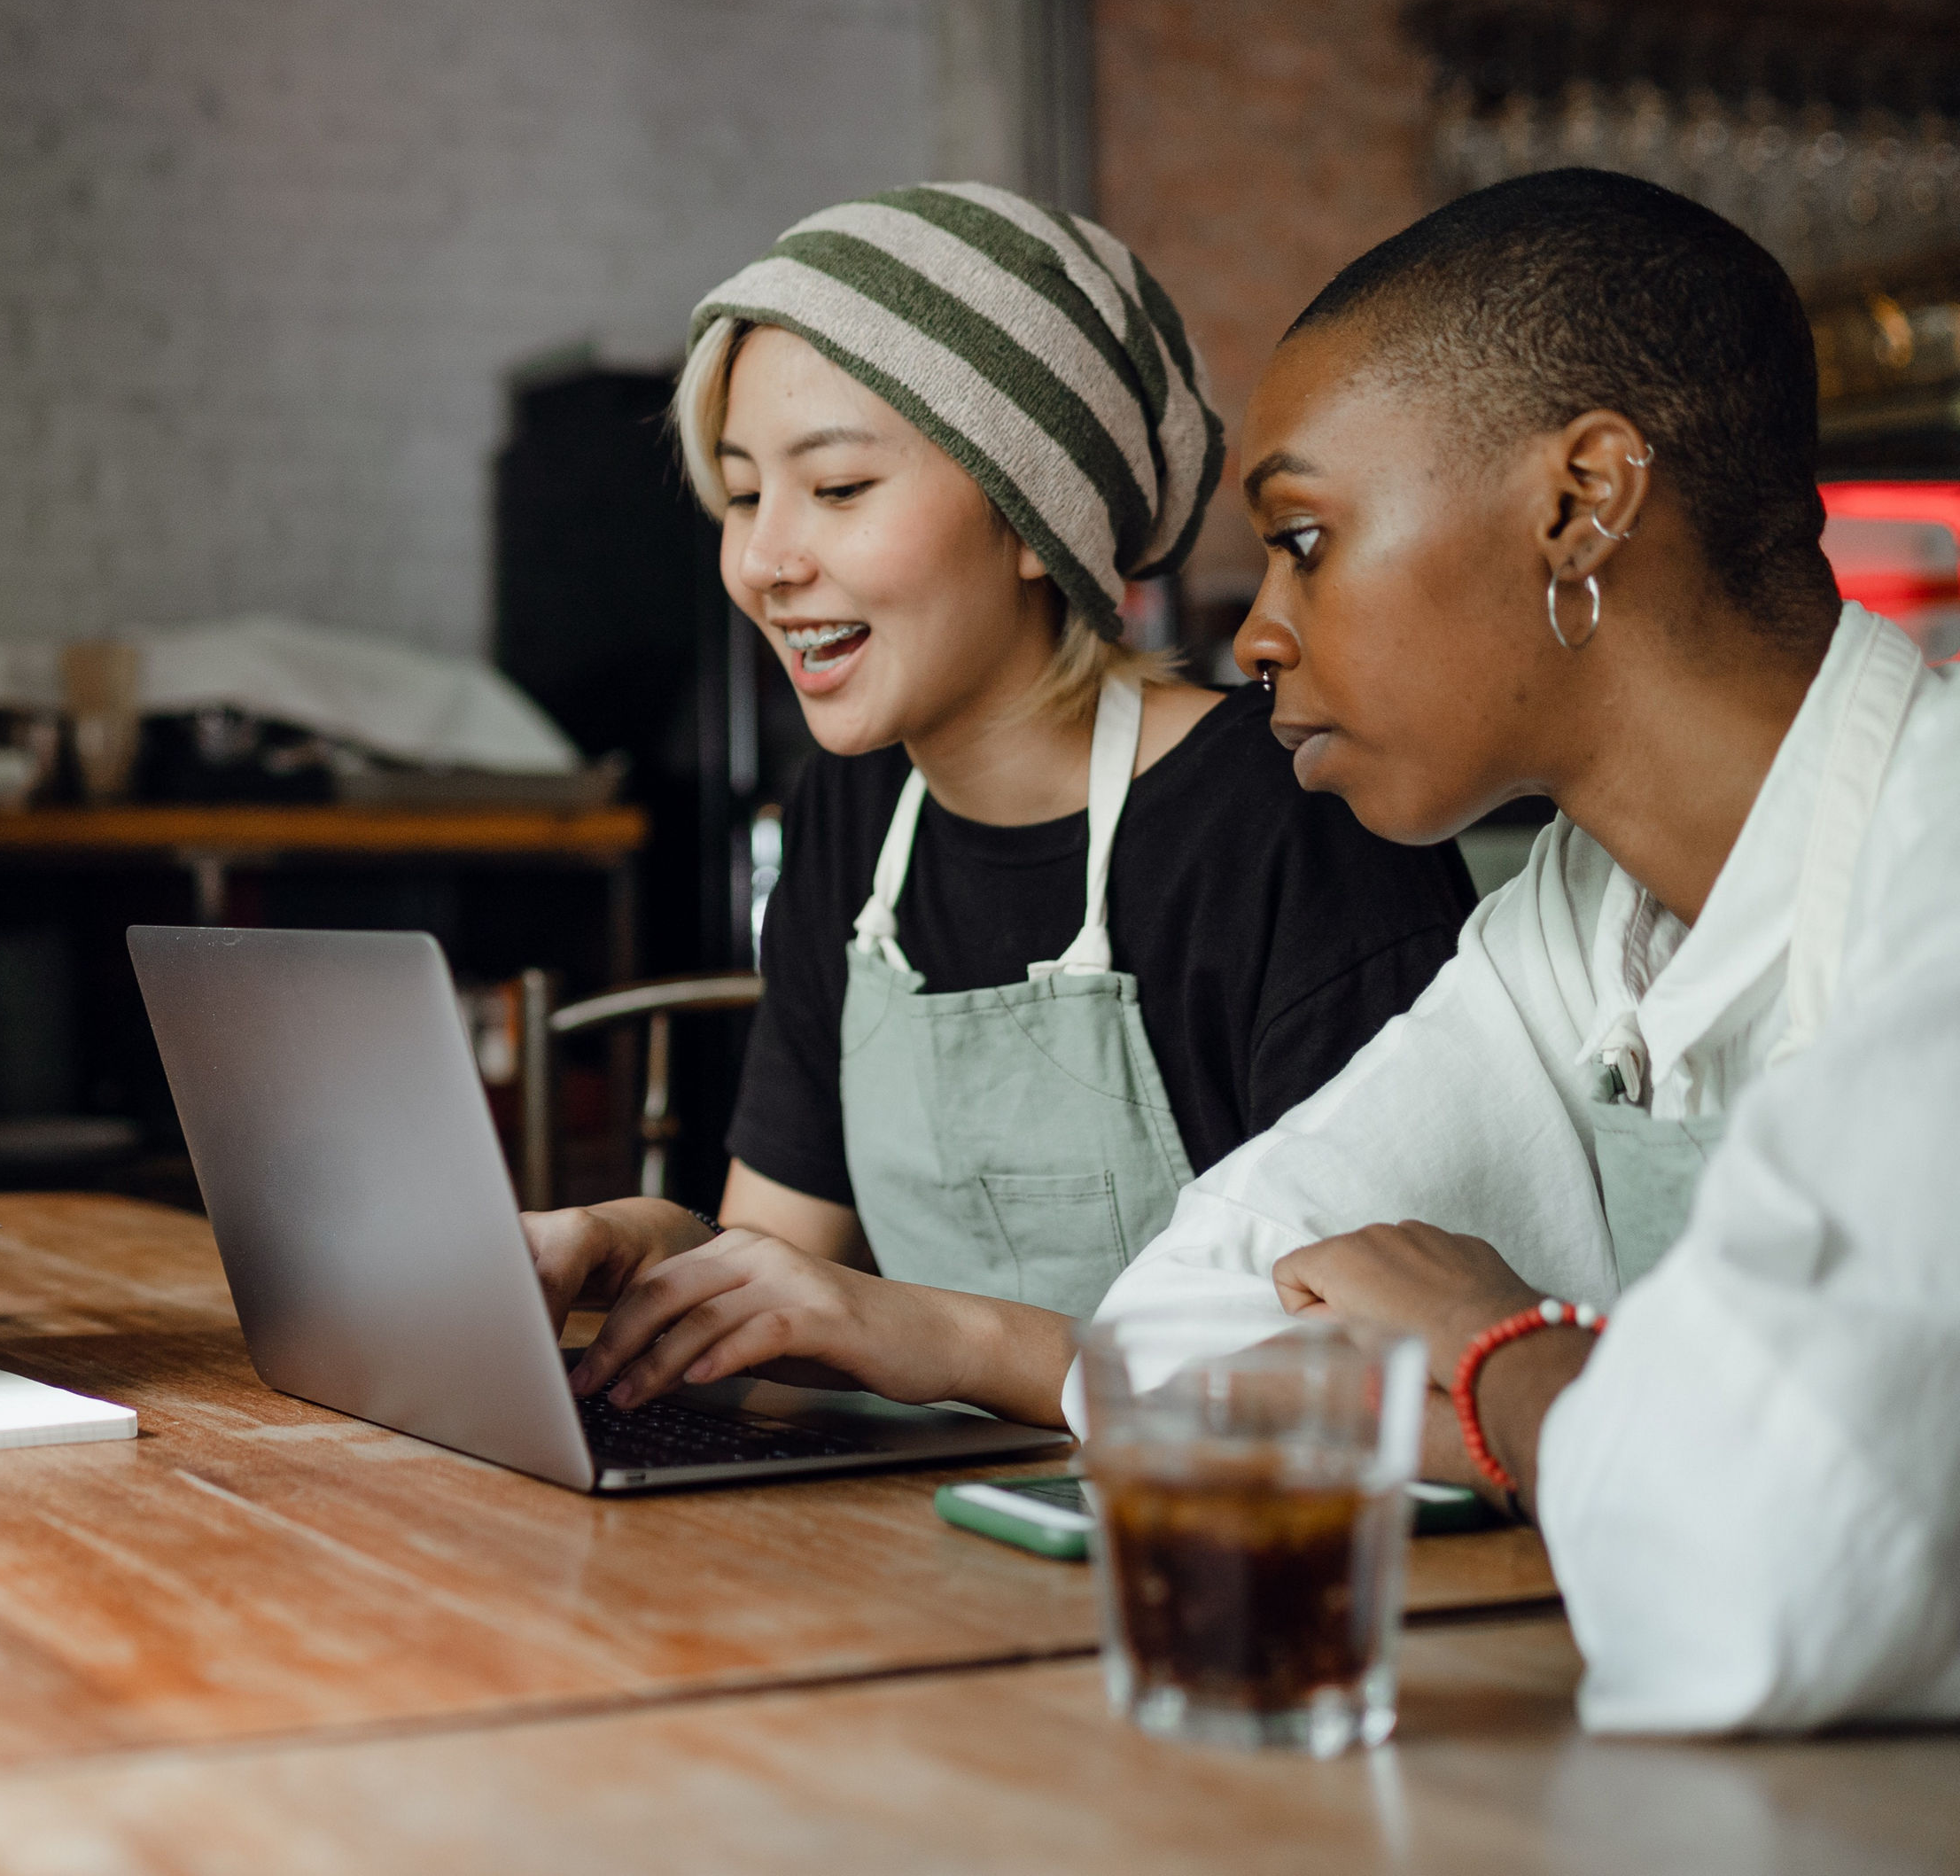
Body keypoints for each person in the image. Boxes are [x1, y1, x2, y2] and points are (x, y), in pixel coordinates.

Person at [522, 183, 1475, 1425]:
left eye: (840, 488)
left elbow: (1379, 1380)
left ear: (1038, 517)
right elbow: (774, 1257)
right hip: (922, 1535)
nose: (763, 562)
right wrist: (634, 1245)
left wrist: (948, 1336)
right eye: (747, 495)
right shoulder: (853, 815)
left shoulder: (1289, 819)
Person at [1079, 169, 1959, 1482]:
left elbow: (1809, 1558)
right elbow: (1158, 1347)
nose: (1260, 635)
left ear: (1582, 502)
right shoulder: (1582, 921)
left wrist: (1495, 1344)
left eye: (1304, 539)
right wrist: (1598, 1432)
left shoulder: (1930, 871)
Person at [1268, 837, 1960, 1733]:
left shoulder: (1921, 852)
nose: (1260, 689)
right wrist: (1552, 1435)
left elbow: (1758, 1574)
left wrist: (1486, 1334)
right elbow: (1213, 1317)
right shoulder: (1582, 902)